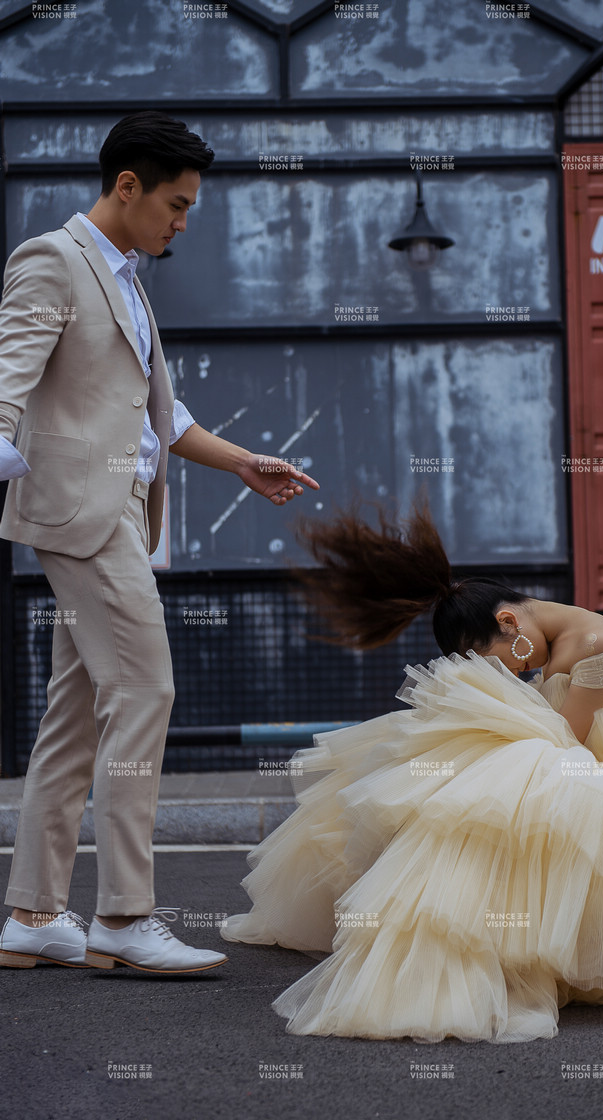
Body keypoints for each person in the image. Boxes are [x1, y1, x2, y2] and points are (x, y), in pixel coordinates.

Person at [222, 505, 603, 1042]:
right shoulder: (547, 634)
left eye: (500, 660)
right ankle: (441, 935)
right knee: (433, 768)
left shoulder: (594, 643)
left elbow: (568, 741)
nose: (512, 672)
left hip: (602, 761)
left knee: (495, 786)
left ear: (509, 622)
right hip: (573, 753)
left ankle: (478, 945)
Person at [0, 111, 319, 974]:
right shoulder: (52, 260)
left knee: (74, 716)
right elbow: (8, 371)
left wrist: (242, 462)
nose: (183, 222)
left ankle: (33, 913)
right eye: (175, 204)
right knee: (145, 690)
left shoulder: (126, 277)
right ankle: (124, 917)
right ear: (127, 186)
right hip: (84, 514)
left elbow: (157, 414)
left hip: (118, 511)